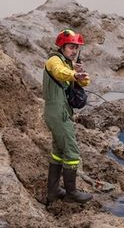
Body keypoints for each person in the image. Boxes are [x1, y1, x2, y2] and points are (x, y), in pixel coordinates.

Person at [44, 29, 92, 204]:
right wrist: (73, 74)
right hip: (58, 113)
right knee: (72, 152)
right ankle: (71, 193)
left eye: (76, 48)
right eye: (71, 47)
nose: (74, 51)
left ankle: (53, 191)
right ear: (62, 46)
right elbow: (58, 72)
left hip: (61, 112)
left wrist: (79, 73)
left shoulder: (69, 64)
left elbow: (85, 82)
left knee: (58, 151)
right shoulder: (54, 60)